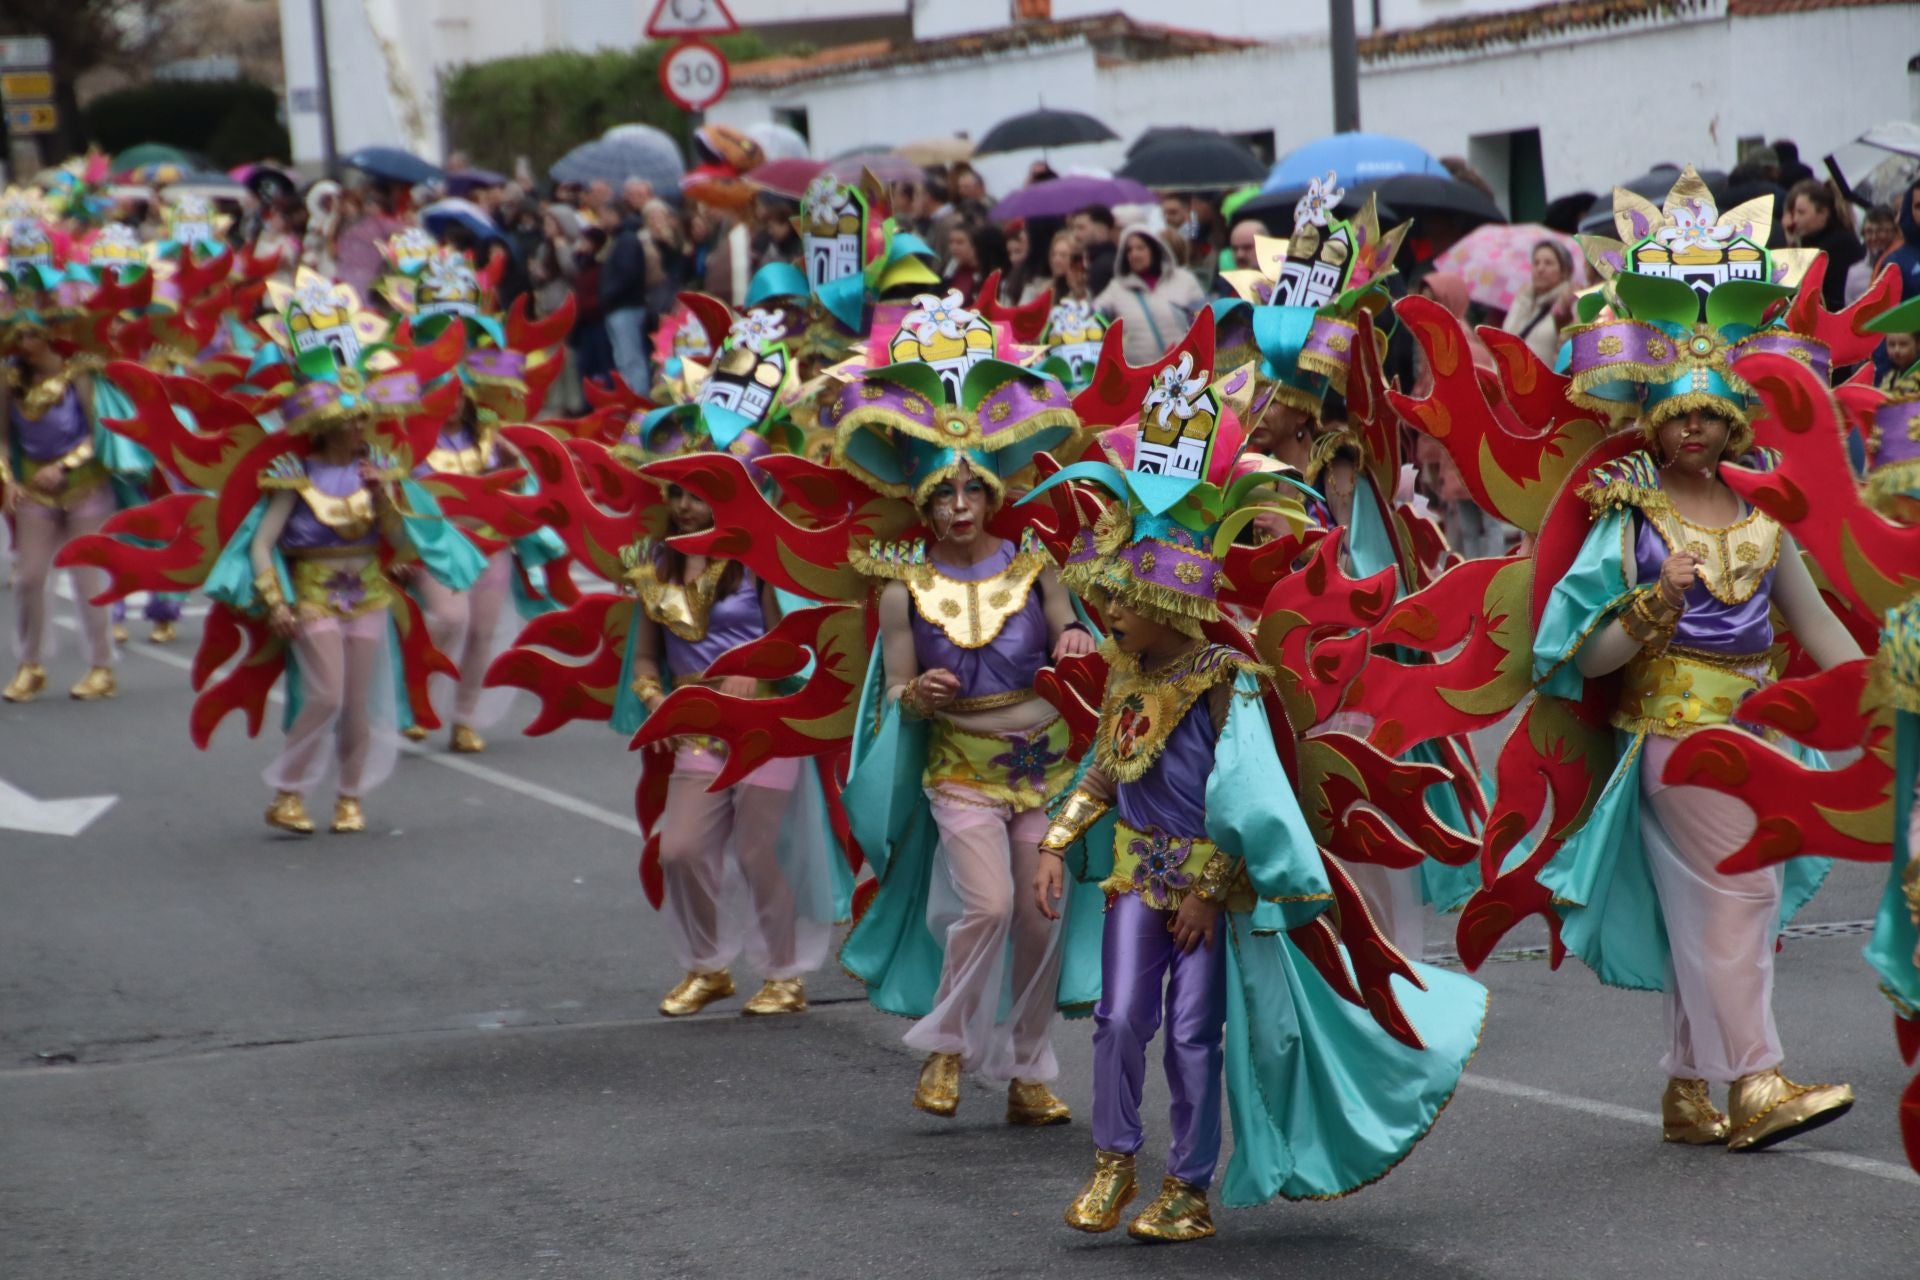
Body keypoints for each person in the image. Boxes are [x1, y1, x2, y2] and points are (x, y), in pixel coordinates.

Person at [1024, 382, 1486, 1242]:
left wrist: (1214, 886)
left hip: (1205, 891)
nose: (1108, 610)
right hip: (1134, 876)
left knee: (1195, 1035)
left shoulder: (1224, 684)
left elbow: (1255, 802)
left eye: (1121, 600)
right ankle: (1114, 1160)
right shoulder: (1130, 676)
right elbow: (1103, 764)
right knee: (1122, 1016)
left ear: (1164, 605)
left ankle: (1188, 1187)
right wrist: (1058, 842)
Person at [1521, 179, 1867, 1151]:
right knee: (1740, 896)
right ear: (1652, 419)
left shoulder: (1763, 512)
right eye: (1679, 415)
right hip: (1675, 738)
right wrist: (1658, 598)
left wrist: (1879, 695)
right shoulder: (1630, 518)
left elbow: (1819, 629)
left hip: (1753, 732)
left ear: (1736, 422)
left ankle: (1687, 1085)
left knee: (1707, 909)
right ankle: (1754, 1080)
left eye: (1711, 417)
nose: (1695, 432)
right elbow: (1582, 651)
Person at [831, 352, 1097, 1124]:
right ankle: (947, 1048)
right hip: (961, 769)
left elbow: (1069, 632)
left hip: (1048, 769)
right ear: (922, 502)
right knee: (985, 906)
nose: (959, 505)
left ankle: (1026, 1070)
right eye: (943, 493)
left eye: (971, 489)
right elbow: (897, 694)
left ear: (992, 492)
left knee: (1040, 915)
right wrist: (918, 693)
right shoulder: (901, 588)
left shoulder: (1039, 565)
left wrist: (1075, 639)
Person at [0, 308, 118, 702]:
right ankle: (30, 666)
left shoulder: (78, 375)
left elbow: (99, 433)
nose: (23, 345)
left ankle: (101, 668)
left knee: (88, 582)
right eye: (17, 337)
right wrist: (9, 480)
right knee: (30, 578)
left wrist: (64, 466)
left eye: (30, 335)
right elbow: (1, 441)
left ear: (48, 335)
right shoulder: (10, 379)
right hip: (35, 491)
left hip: (84, 487)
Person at [1093, 226, 1205, 364]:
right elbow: (1094, 315)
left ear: (1154, 249)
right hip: (1141, 376)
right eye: (1129, 250)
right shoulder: (1117, 288)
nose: (1134, 254)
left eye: (1141, 248)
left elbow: (1204, 322)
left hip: (1184, 369)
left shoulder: (1184, 280)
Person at [601, 178, 655, 393]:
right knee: (624, 359)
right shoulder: (619, 239)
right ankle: (629, 400)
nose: (601, 219)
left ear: (615, 215)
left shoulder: (626, 240)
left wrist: (606, 295)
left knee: (631, 359)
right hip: (620, 306)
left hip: (626, 307)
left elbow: (627, 274)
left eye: (605, 214)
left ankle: (637, 403)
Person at [1785, 179, 1863, 310]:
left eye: (1801, 213)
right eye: (1794, 213)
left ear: (1823, 213)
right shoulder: (1809, 244)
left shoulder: (1839, 246)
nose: (1796, 220)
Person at [1500, 239, 1574, 367]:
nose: (1540, 268)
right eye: (1536, 263)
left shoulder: (1569, 305)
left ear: (1563, 272)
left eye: (1548, 263)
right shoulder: (1522, 300)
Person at [944, 220, 1008, 302]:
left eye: (960, 242)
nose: (954, 247)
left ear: (975, 245)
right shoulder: (950, 270)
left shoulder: (986, 273)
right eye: (951, 242)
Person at [1071, 204, 1119, 295]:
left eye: (1081, 228)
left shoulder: (1104, 266)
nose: (1075, 235)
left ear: (1101, 230)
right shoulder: (1095, 261)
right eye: (1074, 228)